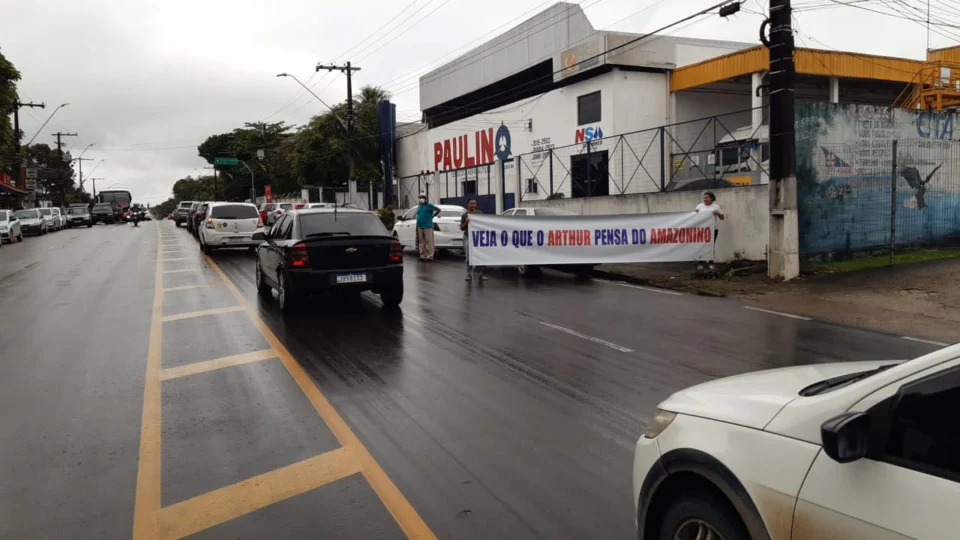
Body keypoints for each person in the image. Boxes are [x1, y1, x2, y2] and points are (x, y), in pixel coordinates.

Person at [695, 192, 724, 270]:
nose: (705, 199)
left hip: (713, 230)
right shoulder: (699, 206)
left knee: (711, 246)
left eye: (707, 197)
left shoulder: (716, 206)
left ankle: (711, 263)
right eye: (704, 197)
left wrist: (717, 213)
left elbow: (722, 217)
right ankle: (700, 263)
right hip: (702, 229)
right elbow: (695, 217)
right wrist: (696, 213)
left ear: (711, 198)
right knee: (701, 246)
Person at [460, 199, 487, 281]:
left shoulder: (479, 213)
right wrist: (466, 222)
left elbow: (484, 224)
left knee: (481, 256)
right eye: (471, 204)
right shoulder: (465, 215)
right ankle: (469, 274)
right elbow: (461, 228)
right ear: (468, 204)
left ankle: (481, 274)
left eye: (474, 203)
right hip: (468, 237)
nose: (473, 205)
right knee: (469, 256)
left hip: (478, 237)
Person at [415, 194, 440, 261]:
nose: (421, 199)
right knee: (421, 241)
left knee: (429, 241)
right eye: (420, 198)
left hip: (428, 226)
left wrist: (433, 216)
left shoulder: (429, 205)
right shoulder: (419, 207)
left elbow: (438, 209)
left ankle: (430, 256)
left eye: (422, 198)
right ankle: (423, 255)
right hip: (420, 226)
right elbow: (418, 216)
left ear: (425, 199)